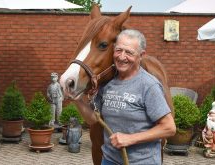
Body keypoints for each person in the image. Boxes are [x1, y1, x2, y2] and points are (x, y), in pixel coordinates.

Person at [73, 29, 176, 165]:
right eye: (119, 50)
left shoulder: (148, 85)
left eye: (129, 52)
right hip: (109, 160)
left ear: (141, 55)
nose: (122, 57)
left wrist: (130, 139)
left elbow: (169, 128)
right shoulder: (108, 84)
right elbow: (93, 119)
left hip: (142, 162)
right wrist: (77, 99)